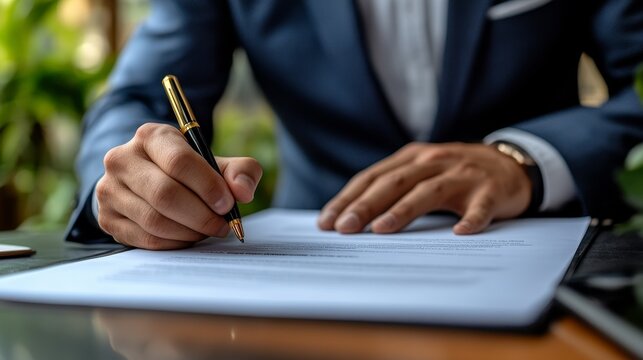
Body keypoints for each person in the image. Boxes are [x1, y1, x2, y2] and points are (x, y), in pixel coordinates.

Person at [66, 0, 643, 249]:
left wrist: (529, 160)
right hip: (313, 272)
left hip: (552, 266)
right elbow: (140, 96)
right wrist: (131, 179)